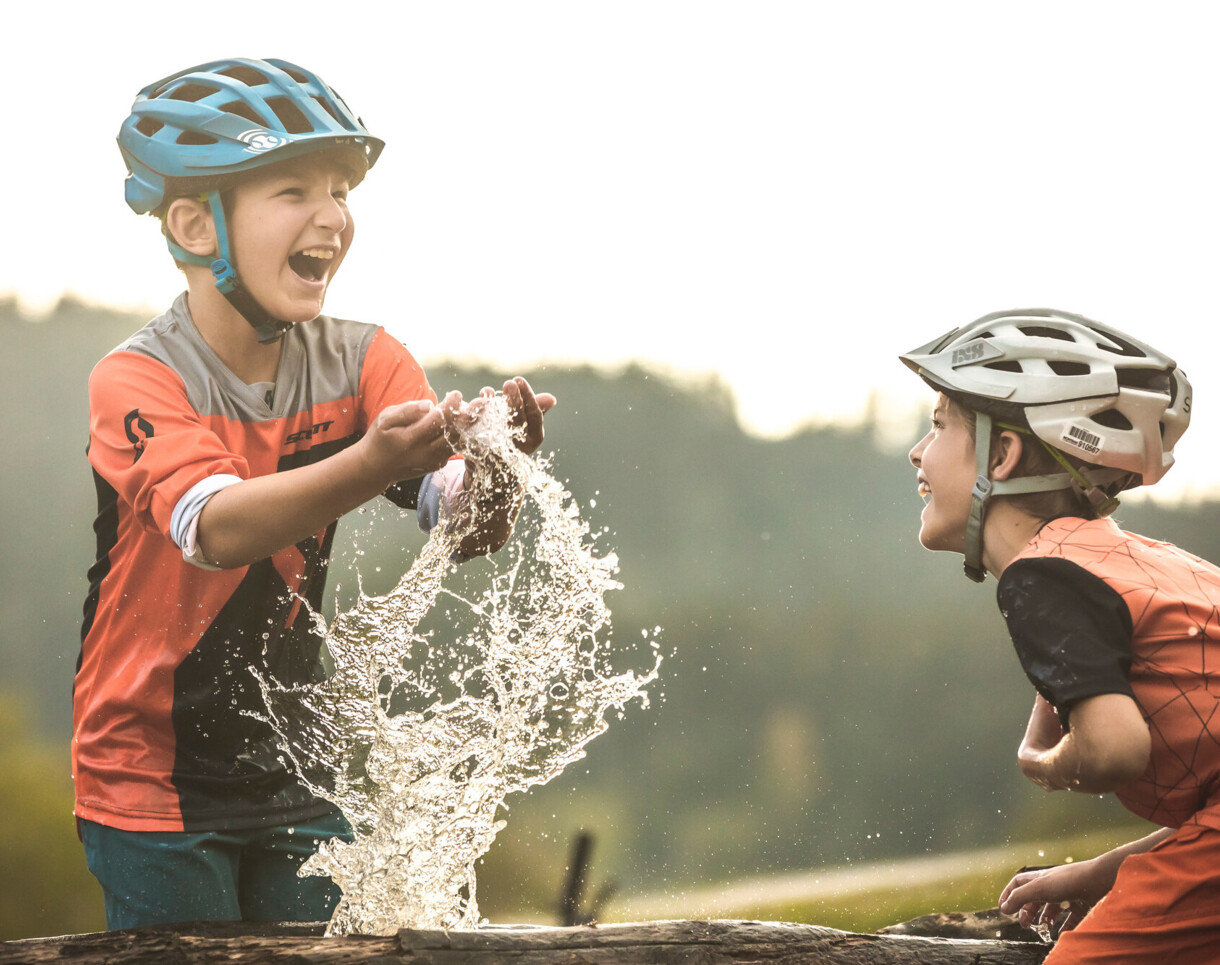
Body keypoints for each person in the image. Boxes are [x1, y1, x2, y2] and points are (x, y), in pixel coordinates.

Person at [77, 57, 554, 930]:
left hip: (296, 764)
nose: (332, 216)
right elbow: (215, 527)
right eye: (294, 190)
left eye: (340, 190)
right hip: (150, 779)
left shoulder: (364, 359)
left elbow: (453, 512)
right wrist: (369, 463)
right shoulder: (138, 380)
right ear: (194, 222)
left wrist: (492, 481)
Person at [902, 309, 1220, 963]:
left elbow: (1113, 748)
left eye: (937, 425)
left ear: (1001, 454)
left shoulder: (1042, 580)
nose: (916, 451)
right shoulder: (1134, 561)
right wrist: (1094, 875)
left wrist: (1044, 765)